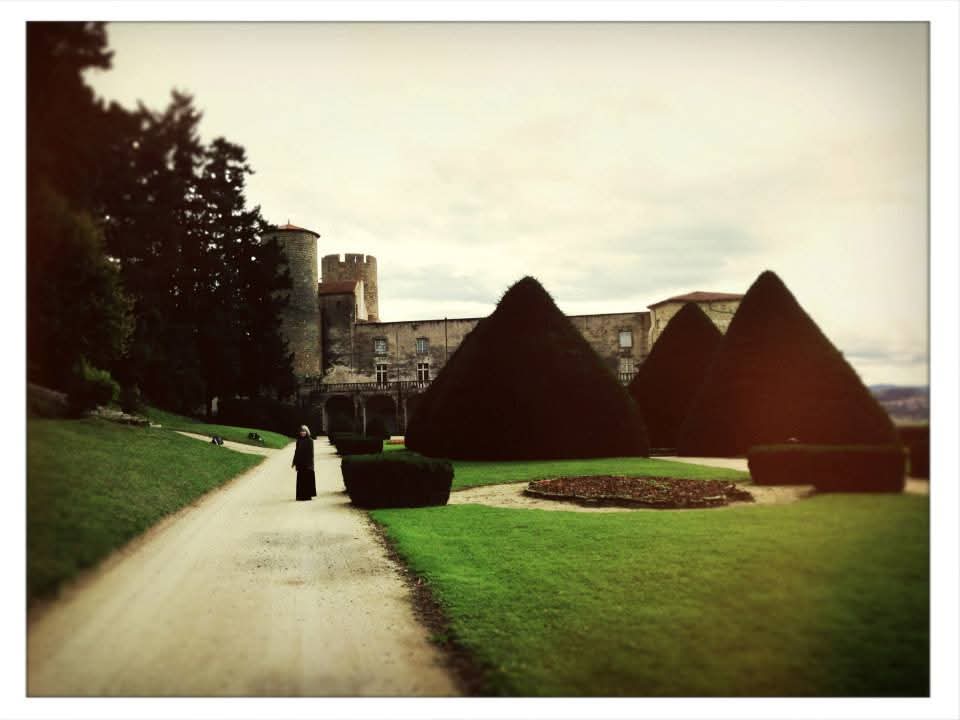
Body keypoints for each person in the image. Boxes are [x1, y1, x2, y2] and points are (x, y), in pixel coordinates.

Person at [292, 425, 317, 501]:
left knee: (307, 479)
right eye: (301, 431)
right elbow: (296, 452)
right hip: (300, 463)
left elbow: (311, 454)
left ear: (307, 432)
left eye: (304, 431)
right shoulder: (298, 440)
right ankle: (300, 496)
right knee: (300, 480)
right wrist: (294, 462)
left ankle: (307, 496)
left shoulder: (310, 440)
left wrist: (309, 464)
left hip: (307, 463)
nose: (302, 433)